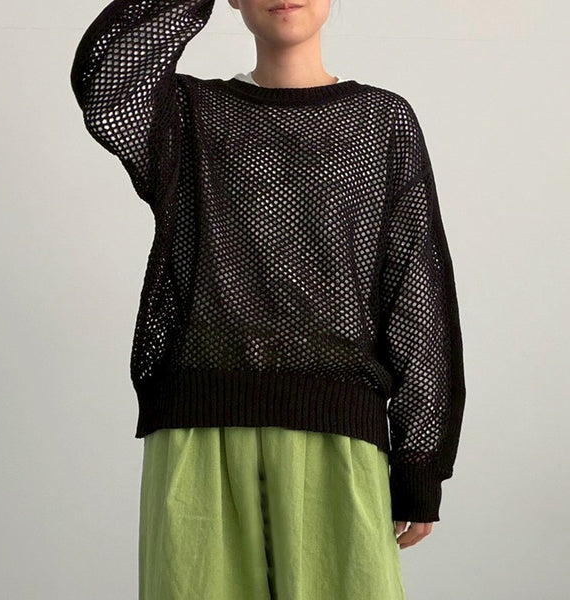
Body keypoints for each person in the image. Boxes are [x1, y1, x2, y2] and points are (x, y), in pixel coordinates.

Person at [70, 0, 466, 598]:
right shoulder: (187, 115)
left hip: (338, 429)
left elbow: (415, 287)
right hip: (199, 427)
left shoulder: (382, 121)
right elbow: (106, 80)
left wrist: (419, 462)